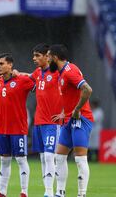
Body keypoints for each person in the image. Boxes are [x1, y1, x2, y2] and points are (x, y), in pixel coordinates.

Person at [48, 44, 94, 197]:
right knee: (59, 156)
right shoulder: (62, 73)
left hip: (81, 119)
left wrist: (77, 109)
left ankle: (82, 194)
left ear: (55, 57)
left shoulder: (69, 71)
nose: (48, 61)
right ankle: (60, 193)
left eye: (48, 57)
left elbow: (87, 89)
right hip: (69, 119)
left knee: (80, 159)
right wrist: (65, 112)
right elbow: (70, 96)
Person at [0, 53, 35, 197]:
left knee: (21, 159)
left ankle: (24, 192)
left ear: (10, 65)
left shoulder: (22, 80)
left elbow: (39, 81)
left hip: (18, 128)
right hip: (2, 128)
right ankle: (2, 192)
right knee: (4, 160)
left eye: (1, 63)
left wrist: (24, 73)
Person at [29, 43, 63, 197]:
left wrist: (65, 112)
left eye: (37, 55)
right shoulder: (37, 73)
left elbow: (71, 91)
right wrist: (14, 73)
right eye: (34, 55)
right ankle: (48, 191)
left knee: (50, 155)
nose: (34, 58)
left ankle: (52, 191)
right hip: (38, 122)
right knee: (43, 157)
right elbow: (26, 79)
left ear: (47, 56)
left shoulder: (58, 73)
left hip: (52, 122)